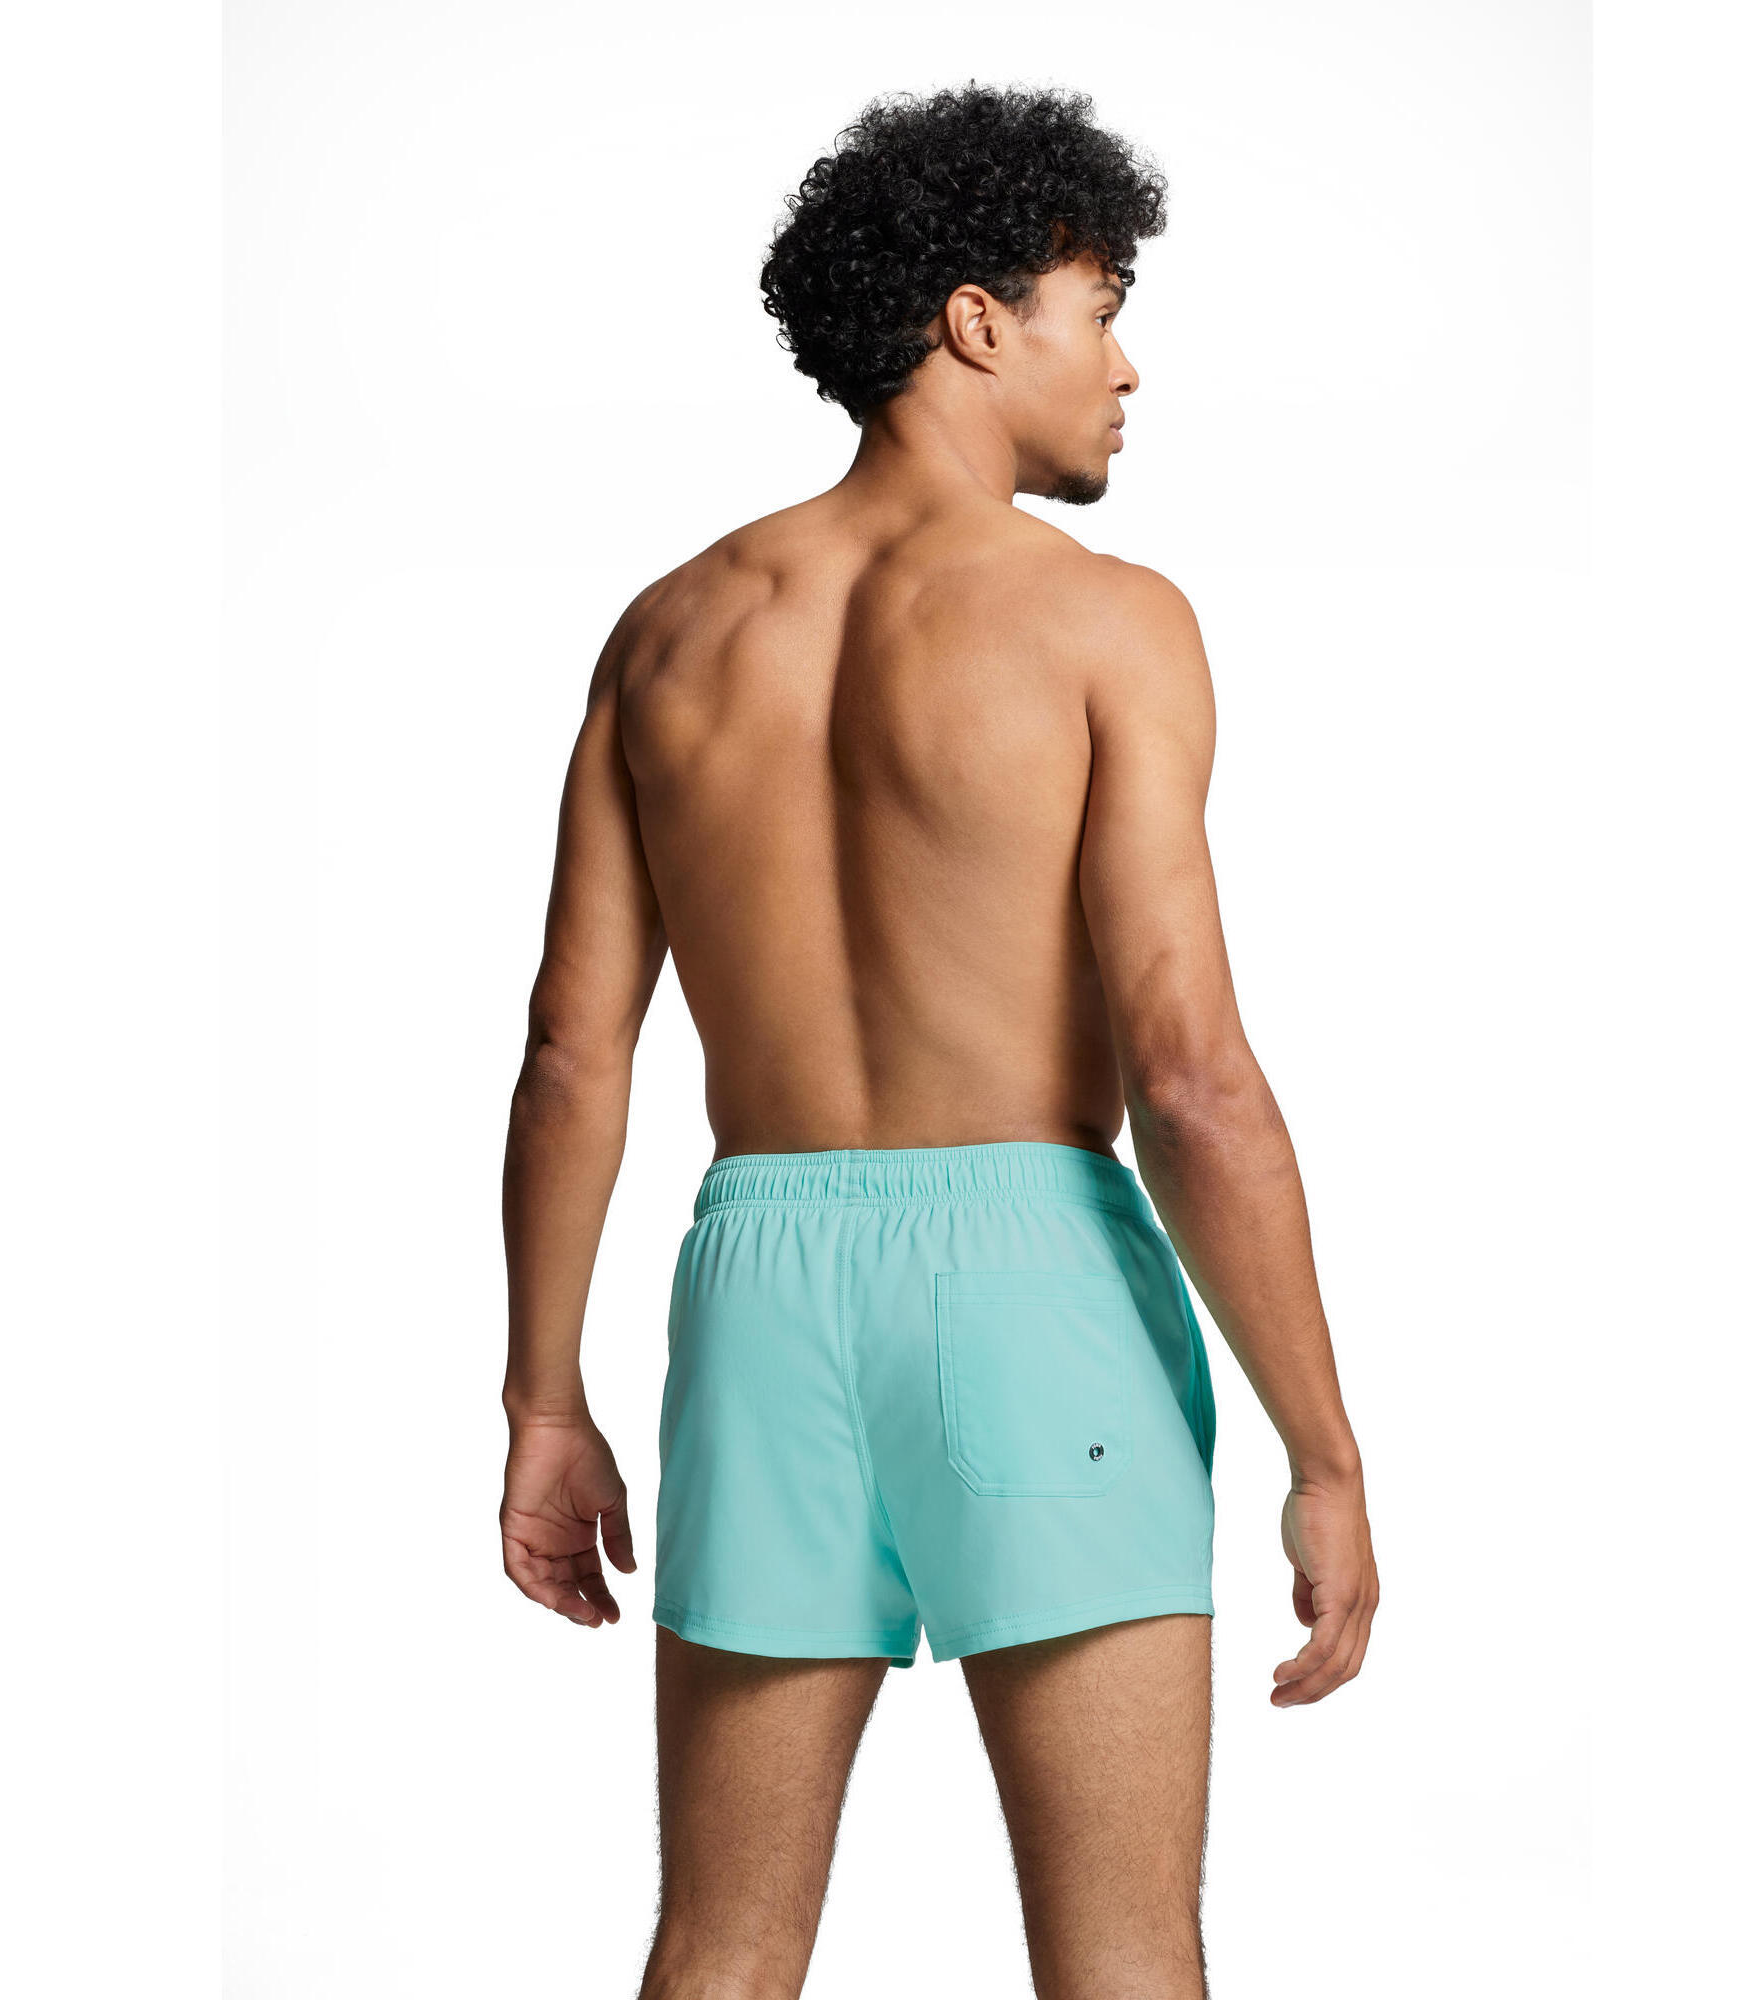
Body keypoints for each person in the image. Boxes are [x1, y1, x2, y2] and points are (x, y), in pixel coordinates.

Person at [499, 82, 1378, 2000]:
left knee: (718, 1950)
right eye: (1102, 310)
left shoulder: (670, 632)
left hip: (758, 1283)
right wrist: (1323, 1449)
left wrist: (544, 1402)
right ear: (979, 321)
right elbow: (1192, 1079)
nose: (1128, 368)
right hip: (1028, 1273)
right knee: (1122, 1959)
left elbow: (573, 1053)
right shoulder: (1103, 623)